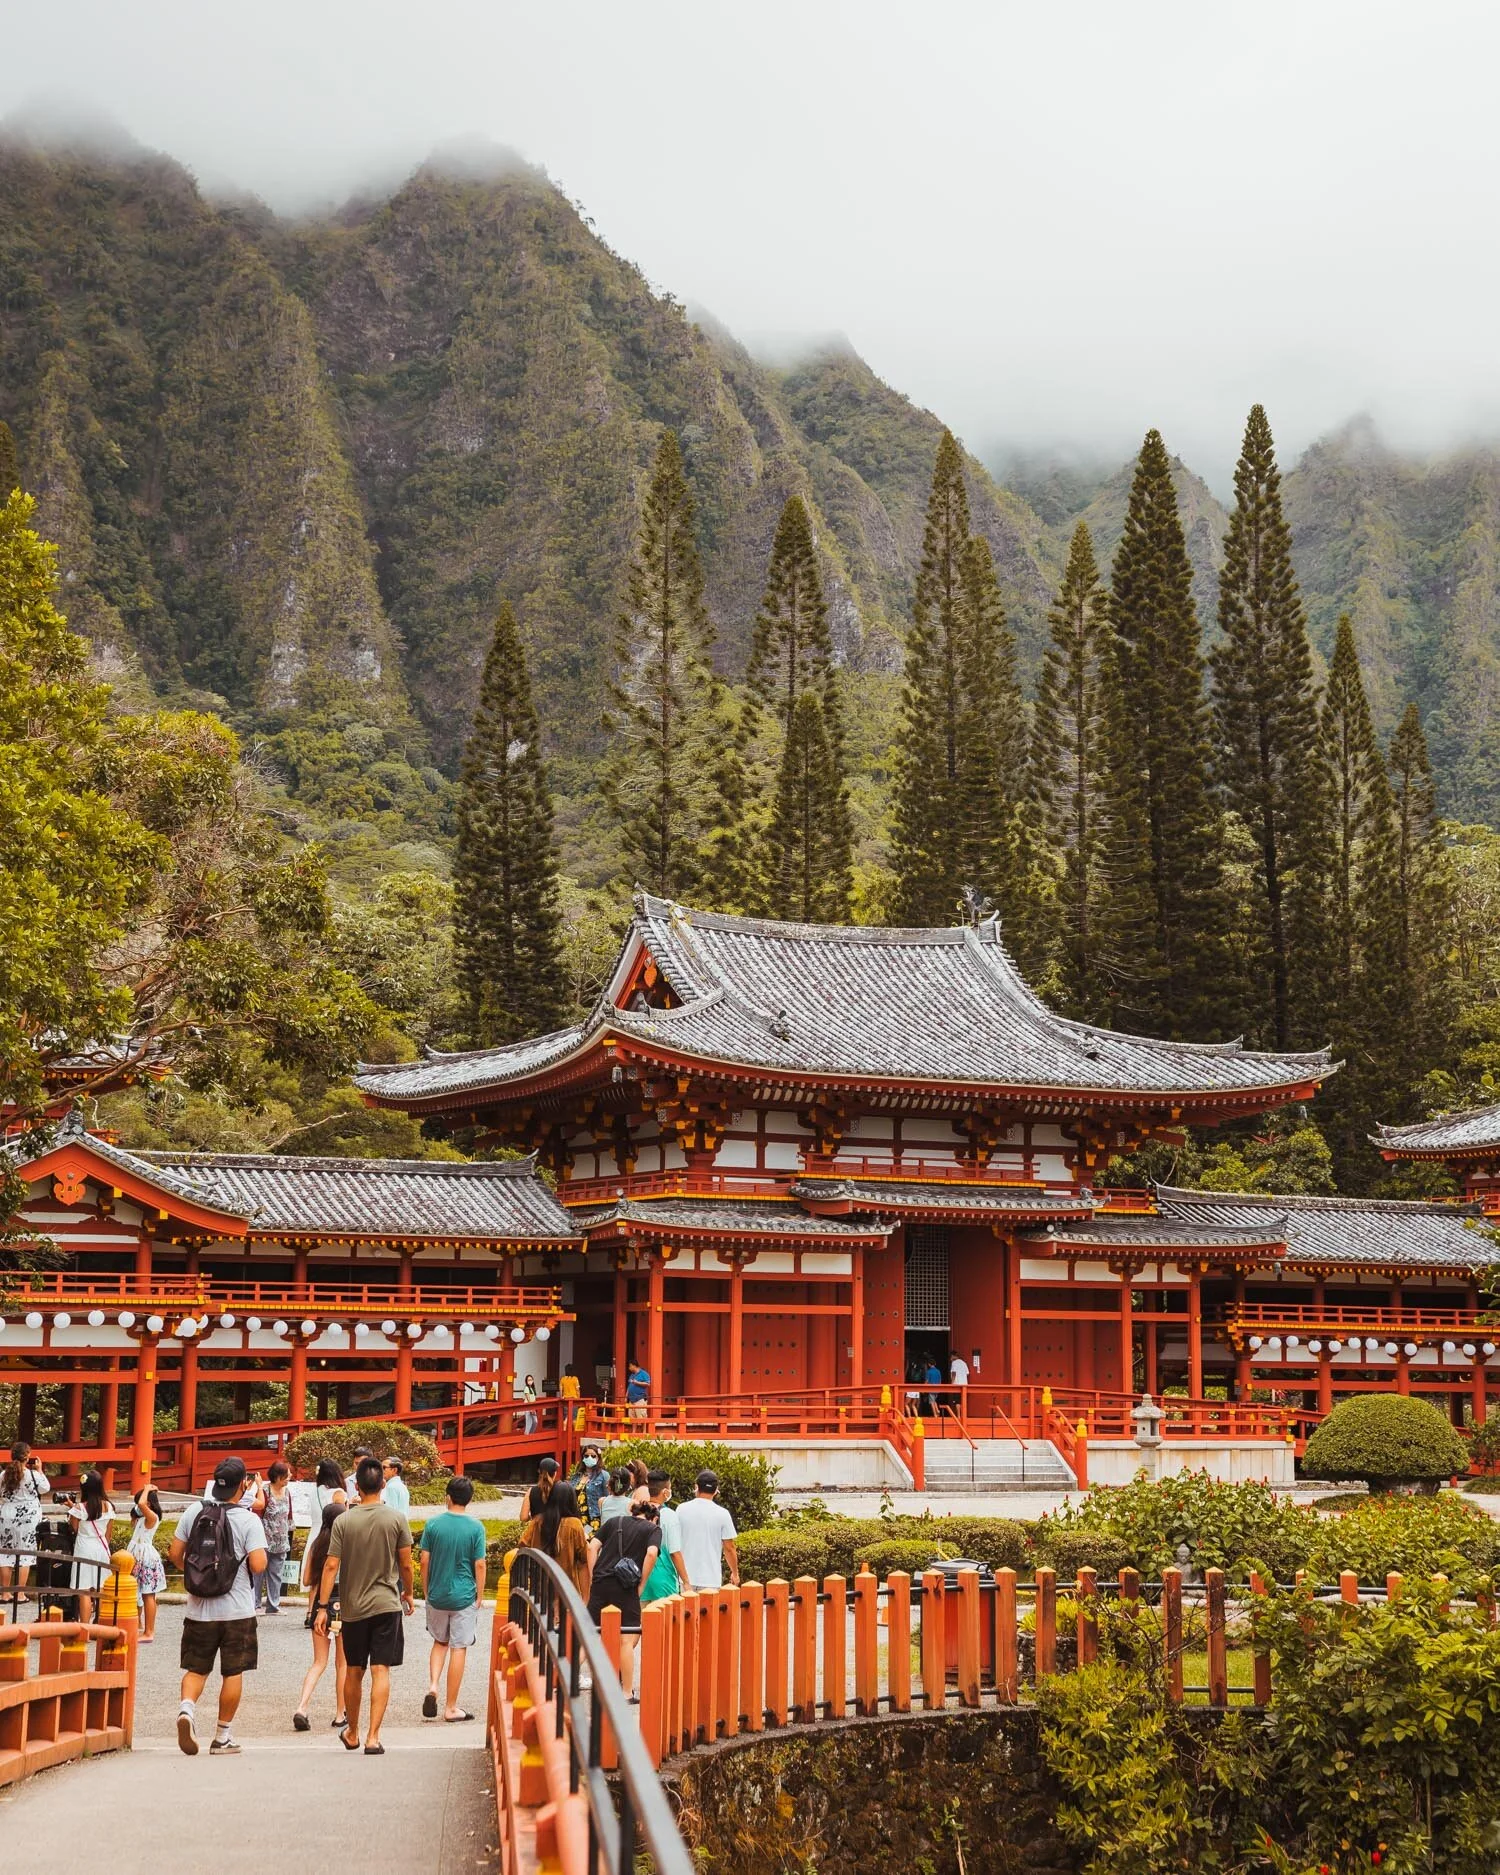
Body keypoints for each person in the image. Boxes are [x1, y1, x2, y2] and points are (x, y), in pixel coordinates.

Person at [169, 1455, 268, 1756]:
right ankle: (222, 1736)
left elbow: (175, 1554)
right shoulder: (248, 1519)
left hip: (198, 1608)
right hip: (237, 1609)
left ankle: (187, 1709)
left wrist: (199, 1575)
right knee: (233, 1671)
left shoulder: (193, 1512)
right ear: (243, 1485)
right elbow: (259, 1563)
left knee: (196, 1668)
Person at [317, 1454, 414, 1755]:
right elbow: (406, 1564)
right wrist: (408, 1593)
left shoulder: (344, 1521)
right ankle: (373, 1736)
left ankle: (353, 1731)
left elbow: (331, 1565)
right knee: (381, 1669)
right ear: (383, 1484)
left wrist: (322, 1606)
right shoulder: (397, 1519)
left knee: (354, 1670)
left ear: (356, 1486)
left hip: (353, 1606)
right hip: (386, 1604)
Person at [418, 1475, 488, 1723]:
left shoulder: (433, 1525)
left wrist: (426, 1589)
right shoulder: (476, 1528)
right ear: (469, 1500)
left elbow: (424, 1560)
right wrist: (479, 1595)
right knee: (459, 1647)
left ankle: (433, 1685)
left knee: (440, 1642)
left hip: (437, 1594)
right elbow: (479, 1564)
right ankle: (451, 1707)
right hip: (463, 1595)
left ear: (447, 1496)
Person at [586, 1500, 659, 1697]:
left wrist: (594, 1577)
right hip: (626, 1587)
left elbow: (592, 1547)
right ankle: (626, 1692)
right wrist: (642, 1584)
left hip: (601, 1583)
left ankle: (561, 1682)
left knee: (588, 1634)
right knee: (627, 1639)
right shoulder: (652, 1529)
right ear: (655, 1518)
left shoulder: (614, 1522)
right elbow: (652, 1553)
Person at [293, 1503, 346, 1732]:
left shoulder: (316, 1544)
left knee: (319, 1662)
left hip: (319, 1606)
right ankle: (339, 1714)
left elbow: (305, 1580)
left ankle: (302, 1707)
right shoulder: (346, 1544)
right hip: (342, 1602)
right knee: (342, 1663)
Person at [521, 1478, 591, 1598]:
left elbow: (523, 1546)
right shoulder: (574, 1524)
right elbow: (583, 1562)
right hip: (566, 1590)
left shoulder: (537, 1520)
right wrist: (585, 1598)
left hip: (539, 1590)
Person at [675, 1471, 740, 1591]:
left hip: (685, 1578)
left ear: (696, 1487)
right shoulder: (722, 1513)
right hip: (711, 1579)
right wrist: (735, 1573)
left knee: (687, 1610)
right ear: (716, 1490)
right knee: (708, 1610)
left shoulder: (681, 1509)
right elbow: (729, 1548)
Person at [0, 1443, 49, 1598]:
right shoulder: (32, 1475)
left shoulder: (3, 1475)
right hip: (28, 1517)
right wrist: (40, 1470)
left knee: (5, 1553)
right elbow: (45, 1488)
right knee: (25, 1554)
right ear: (27, 1456)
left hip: (7, 1514)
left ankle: (4, 1594)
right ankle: (20, 1593)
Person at [68, 1471, 116, 1627]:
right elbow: (109, 1534)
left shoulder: (80, 1507)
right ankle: (100, 1625)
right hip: (101, 1547)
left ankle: (85, 1627)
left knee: (84, 1591)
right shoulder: (108, 1506)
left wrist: (72, 1507)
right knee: (101, 1588)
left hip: (84, 1548)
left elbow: (75, 1528)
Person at [640, 1471, 687, 1608]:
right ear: (665, 1492)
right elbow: (674, 1552)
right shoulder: (669, 1516)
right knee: (665, 1625)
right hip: (664, 1579)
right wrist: (686, 1581)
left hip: (640, 1579)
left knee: (641, 1626)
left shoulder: (637, 1512)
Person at [254, 1460, 293, 1613]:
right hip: (264, 1538)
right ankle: (256, 1604)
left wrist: (289, 1533)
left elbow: (289, 1514)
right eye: (286, 1476)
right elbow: (257, 1514)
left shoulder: (287, 1492)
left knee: (276, 1573)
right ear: (277, 1477)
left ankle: (273, 1605)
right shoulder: (264, 1491)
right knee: (258, 1572)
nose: (289, 1478)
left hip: (281, 1539)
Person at [129, 1484, 166, 1641]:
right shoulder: (141, 1517)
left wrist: (147, 1489)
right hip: (136, 1556)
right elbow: (138, 1507)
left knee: (148, 1594)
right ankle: (137, 1625)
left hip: (146, 1557)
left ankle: (149, 1632)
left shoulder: (152, 1517)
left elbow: (142, 1504)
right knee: (135, 1592)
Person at [573, 1444, 608, 1528]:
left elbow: (608, 1498)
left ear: (598, 1458)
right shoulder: (577, 1475)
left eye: (593, 1456)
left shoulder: (604, 1475)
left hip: (595, 1518)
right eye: (586, 1455)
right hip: (578, 1517)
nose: (590, 1458)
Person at [524, 1456, 559, 1521]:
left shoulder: (531, 1491)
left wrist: (533, 1519)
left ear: (540, 1472)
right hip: (556, 1530)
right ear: (554, 1474)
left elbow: (523, 1517)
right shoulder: (560, 1490)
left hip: (537, 1529)